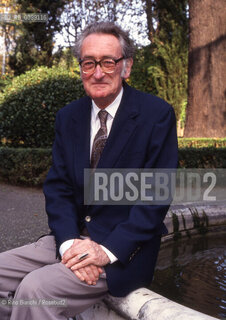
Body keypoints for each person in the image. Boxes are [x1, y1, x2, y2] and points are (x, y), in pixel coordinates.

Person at [0, 21, 178, 319]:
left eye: (108, 62)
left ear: (127, 66)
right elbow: (58, 188)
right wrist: (69, 243)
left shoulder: (156, 115)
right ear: (80, 67)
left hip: (121, 251)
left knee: (36, 289)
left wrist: (103, 252)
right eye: (88, 63)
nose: (98, 73)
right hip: (68, 239)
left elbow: (155, 199)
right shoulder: (68, 117)